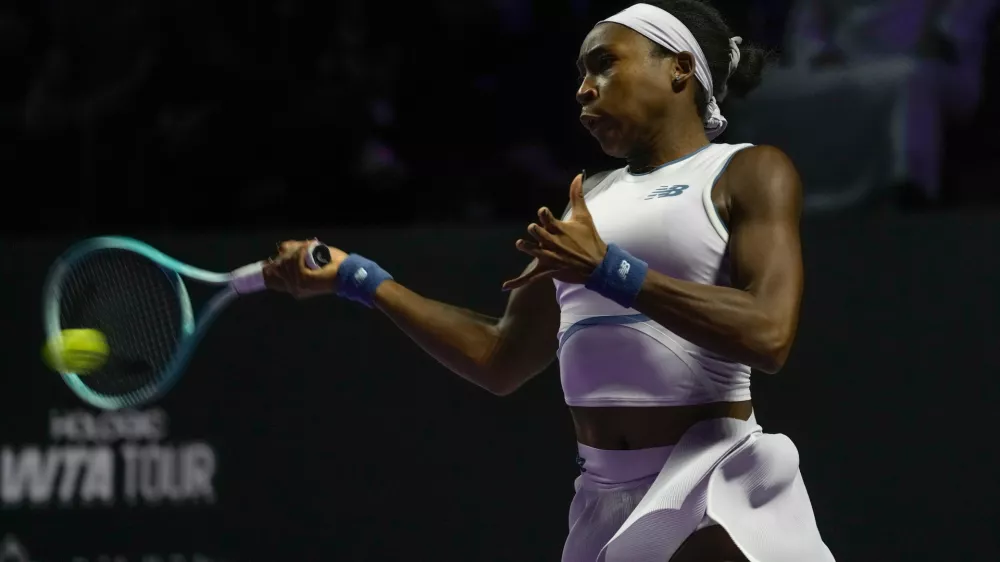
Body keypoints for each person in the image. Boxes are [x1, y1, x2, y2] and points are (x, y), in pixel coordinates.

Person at [264, 1, 835, 560]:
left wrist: (608, 270)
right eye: (582, 73)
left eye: (606, 63)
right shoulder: (583, 204)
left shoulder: (746, 169)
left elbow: (768, 334)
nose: (585, 89)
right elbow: (500, 357)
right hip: (603, 498)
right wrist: (360, 279)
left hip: (713, 481)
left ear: (680, 67)